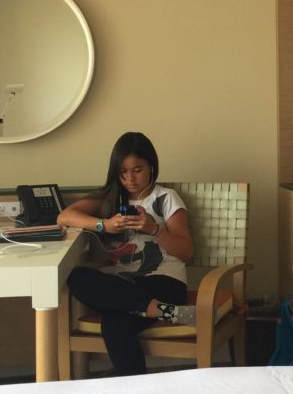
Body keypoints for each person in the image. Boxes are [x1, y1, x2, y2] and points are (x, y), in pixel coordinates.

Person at [59, 131, 195, 375]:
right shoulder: (111, 199)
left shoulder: (165, 198)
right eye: (123, 172)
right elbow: (64, 217)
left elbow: (186, 251)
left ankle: (134, 391)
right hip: (125, 283)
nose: (130, 179)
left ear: (151, 167)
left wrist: (154, 229)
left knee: (113, 325)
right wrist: (105, 225)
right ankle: (165, 311)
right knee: (76, 276)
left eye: (137, 170)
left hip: (165, 282)